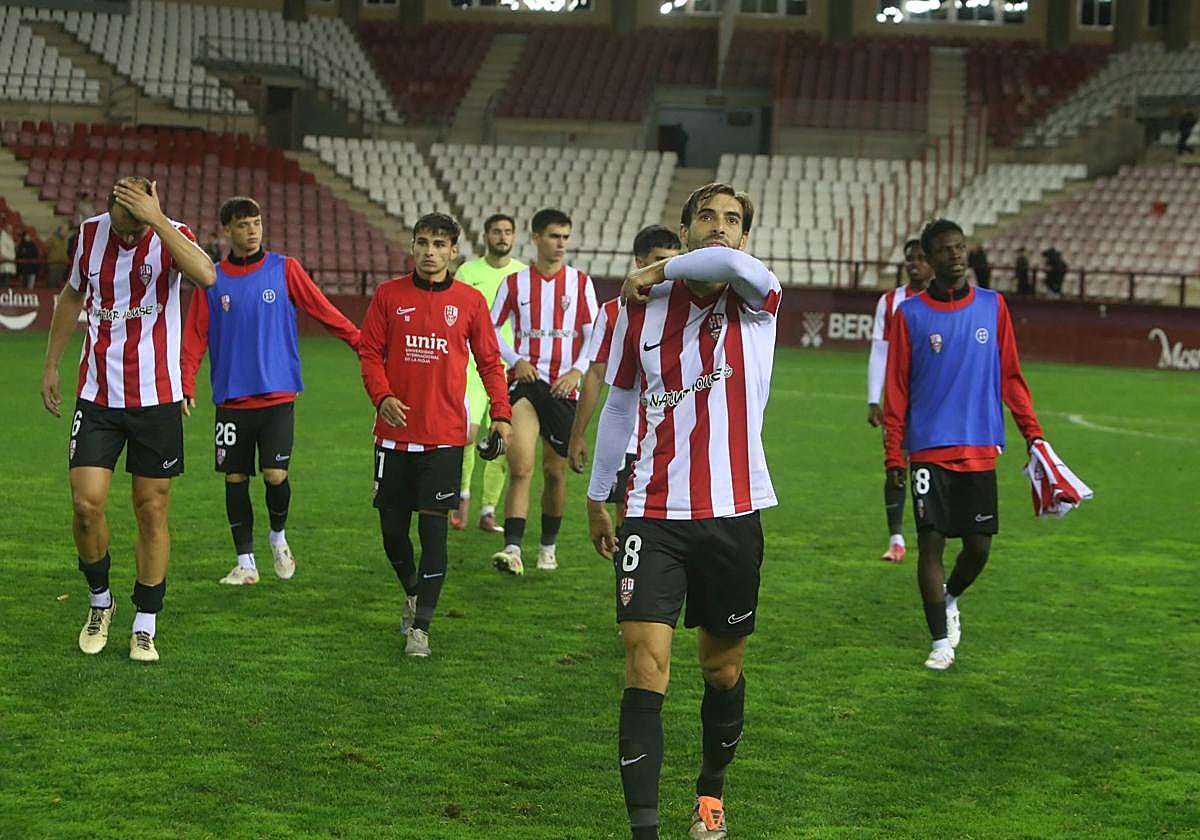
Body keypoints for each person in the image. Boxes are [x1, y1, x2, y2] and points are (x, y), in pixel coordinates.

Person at [586, 183, 782, 840]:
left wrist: (652, 267)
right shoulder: (635, 313)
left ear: (745, 235)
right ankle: (643, 830)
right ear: (687, 225)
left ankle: (710, 791)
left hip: (734, 511)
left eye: (733, 219)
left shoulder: (756, 297)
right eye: (708, 216)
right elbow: (617, 405)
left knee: (723, 668)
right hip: (651, 509)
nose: (721, 227)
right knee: (645, 663)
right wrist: (596, 496)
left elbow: (726, 268)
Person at [39, 176, 216, 663]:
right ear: (111, 210)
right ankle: (101, 602)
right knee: (85, 505)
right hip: (97, 396)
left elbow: (206, 275)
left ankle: (145, 623)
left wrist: (156, 220)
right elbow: (73, 297)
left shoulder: (171, 234)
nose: (132, 236)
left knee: (151, 510)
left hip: (157, 399)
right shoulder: (90, 235)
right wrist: (52, 363)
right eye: (126, 226)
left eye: (140, 228)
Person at [883, 218, 1046, 672]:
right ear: (930, 259)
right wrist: (893, 453)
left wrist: (1033, 434)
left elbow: (1011, 377)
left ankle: (950, 598)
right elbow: (895, 389)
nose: (955, 255)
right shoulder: (909, 315)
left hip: (979, 447)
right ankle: (939, 640)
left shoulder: (993, 307)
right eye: (945, 250)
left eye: (960, 248)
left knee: (979, 547)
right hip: (929, 450)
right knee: (930, 543)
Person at [181, 196, 361, 586]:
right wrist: (185, 382)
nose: (252, 230)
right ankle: (245, 562)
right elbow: (194, 336)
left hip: (277, 394)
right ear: (226, 230)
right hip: (231, 397)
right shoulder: (211, 279)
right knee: (234, 478)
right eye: (243, 224)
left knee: (275, 474)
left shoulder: (285, 269)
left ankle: (277, 537)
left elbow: (321, 308)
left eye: (257, 222)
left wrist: (358, 340)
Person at [359, 213, 512, 657]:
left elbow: (489, 362)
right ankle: (412, 591)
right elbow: (369, 352)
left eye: (439, 244)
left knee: (434, 535)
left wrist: (500, 413)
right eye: (423, 243)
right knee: (392, 535)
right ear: (412, 246)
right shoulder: (388, 295)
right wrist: (381, 395)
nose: (430, 251)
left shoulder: (469, 301)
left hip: (444, 438)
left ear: (453, 252)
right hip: (392, 437)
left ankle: (421, 626)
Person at [489, 208, 597, 575]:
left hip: (563, 387)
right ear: (536, 238)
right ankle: (513, 548)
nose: (561, 243)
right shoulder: (515, 284)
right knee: (521, 464)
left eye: (566, 236)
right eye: (554, 236)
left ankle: (547, 546)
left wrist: (577, 371)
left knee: (555, 472)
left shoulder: (580, 283)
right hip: (526, 384)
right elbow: (489, 329)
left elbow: (592, 335)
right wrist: (516, 358)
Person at [568, 225, 681, 526]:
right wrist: (578, 434)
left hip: (677, 436)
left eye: (672, 260)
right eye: (658, 260)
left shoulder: (689, 310)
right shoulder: (612, 312)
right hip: (630, 440)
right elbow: (595, 374)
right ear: (640, 263)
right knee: (628, 519)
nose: (665, 269)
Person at [451, 213, 527, 533]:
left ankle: (488, 511)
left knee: (501, 440)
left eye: (508, 231)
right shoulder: (468, 272)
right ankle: (461, 500)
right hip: (470, 366)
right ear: (486, 236)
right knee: (466, 436)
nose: (502, 237)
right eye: (497, 231)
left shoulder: (522, 274)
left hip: (507, 369)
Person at [867, 238, 932, 563]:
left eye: (922, 258)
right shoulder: (890, 302)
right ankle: (896, 538)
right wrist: (872, 398)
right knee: (896, 466)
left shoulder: (943, 301)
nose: (916, 264)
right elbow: (880, 350)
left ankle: (931, 533)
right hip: (898, 401)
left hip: (934, 402)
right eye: (911, 259)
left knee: (932, 468)